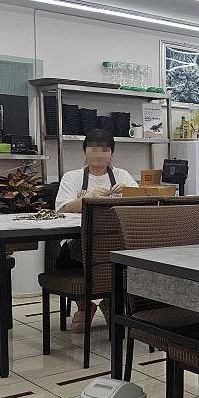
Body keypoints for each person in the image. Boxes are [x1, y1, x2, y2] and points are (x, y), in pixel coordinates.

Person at [55, 129, 138, 332]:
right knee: (64, 260)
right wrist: (87, 198)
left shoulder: (122, 175)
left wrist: (129, 194)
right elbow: (65, 207)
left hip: (115, 238)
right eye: (93, 149)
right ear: (85, 151)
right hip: (80, 239)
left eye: (104, 149)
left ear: (111, 152)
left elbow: (140, 203)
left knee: (127, 262)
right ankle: (84, 306)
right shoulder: (72, 177)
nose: (98, 154)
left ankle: (111, 304)